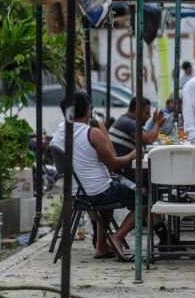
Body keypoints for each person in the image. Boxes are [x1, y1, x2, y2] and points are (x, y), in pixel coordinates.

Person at [50, 91, 140, 261]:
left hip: (76, 195)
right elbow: (113, 164)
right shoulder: (92, 133)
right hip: (99, 192)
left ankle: (101, 247)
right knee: (144, 198)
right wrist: (132, 155)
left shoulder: (57, 136)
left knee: (108, 199)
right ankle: (117, 237)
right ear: (89, 111)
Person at [108, 97, 164, 180]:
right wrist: (157, 123)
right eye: (147, 113)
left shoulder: (126, 120)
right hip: (123, 170)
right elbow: (149, 139)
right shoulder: (129, 123)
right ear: (137, 111)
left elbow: (148, 136)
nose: (149, 116)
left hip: (126, 166)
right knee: (158, 172)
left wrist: (155, 123)